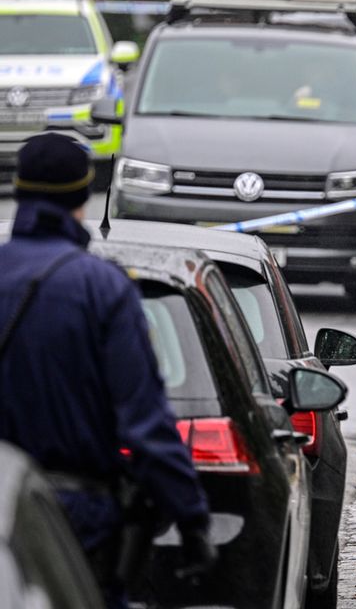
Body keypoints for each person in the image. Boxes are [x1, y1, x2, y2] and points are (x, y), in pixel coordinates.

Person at [0, 134, 216, 608]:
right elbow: (145, 421)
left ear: (18, 192)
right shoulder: (103, 289)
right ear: (82, 196)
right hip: (73, 517)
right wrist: (192, 518)